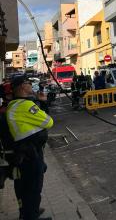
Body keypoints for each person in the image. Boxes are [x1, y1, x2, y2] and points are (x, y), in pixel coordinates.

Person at [6, 75, 54, 220]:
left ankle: (30, 213)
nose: (31, 86)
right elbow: (48, 122)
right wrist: (43, 103)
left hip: (25, 153)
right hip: (31, 155)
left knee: (27, 189)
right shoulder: (25, 106)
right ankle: (31, 216)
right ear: (21, 86)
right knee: (34, 189)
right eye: (28, 83)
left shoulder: (14, 105)